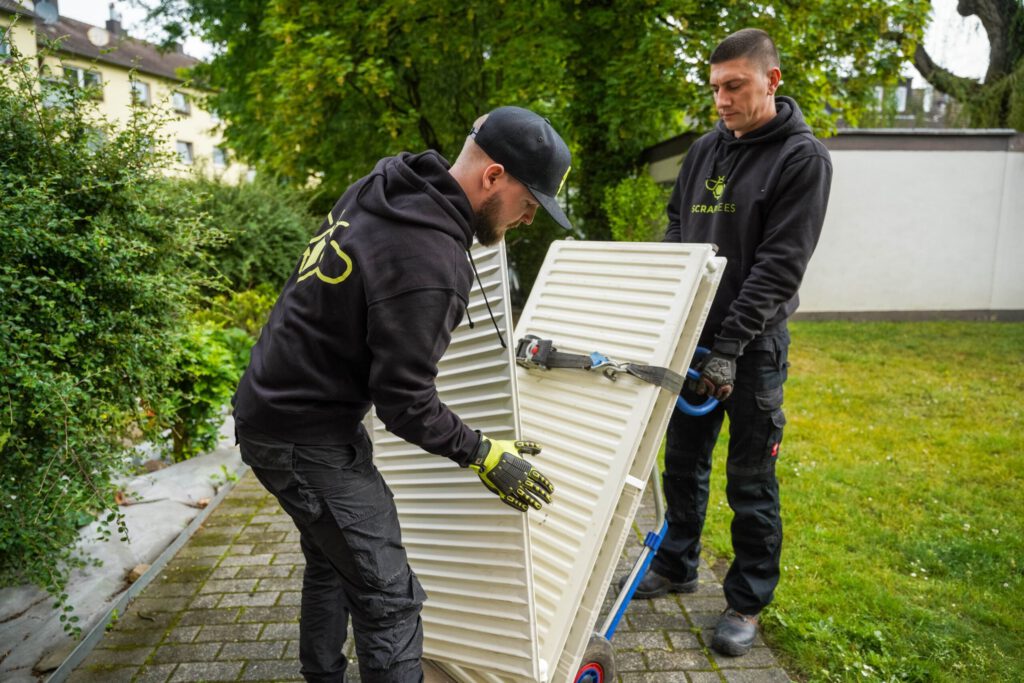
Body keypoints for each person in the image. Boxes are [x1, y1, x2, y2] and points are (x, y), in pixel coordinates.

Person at [232, 106, 571, 682]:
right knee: (389, 599)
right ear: (493, 177)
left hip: (270, 405)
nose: (528, 219)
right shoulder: (430, 260)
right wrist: (484, 453)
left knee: (330, 561)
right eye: (530, 204)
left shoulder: (385, 185)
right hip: (304, 436)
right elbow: (403, 401)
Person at [623, 28, 832, 657]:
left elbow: (779, 267)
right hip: (693, 339)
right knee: (682, 463)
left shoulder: (802, 160)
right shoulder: (703, 151)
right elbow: (680, 230)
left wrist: (729, 348)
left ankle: (745, 599)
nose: (721, 99)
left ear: (772, 80)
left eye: (734, 85)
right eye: (715, 87)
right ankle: (680, 562)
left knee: (750, 478)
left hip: (754, 347)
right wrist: (668, 309)